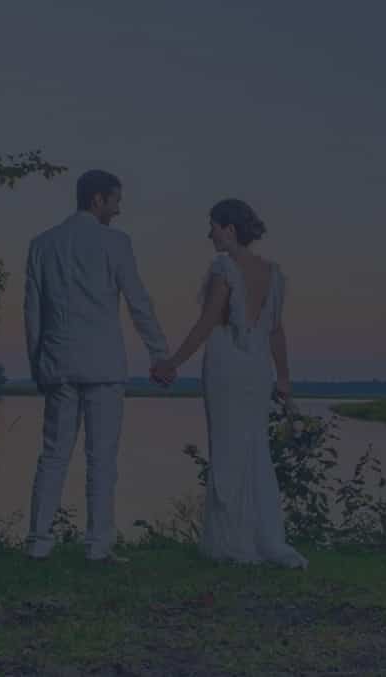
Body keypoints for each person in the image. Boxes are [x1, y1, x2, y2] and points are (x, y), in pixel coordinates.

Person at [24, 169, 173, 563]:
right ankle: (98, 545)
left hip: (57, 362)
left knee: (53, 454)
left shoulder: (42, 244)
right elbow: (138, 302)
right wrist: (159, 353)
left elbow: (32, 313)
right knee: (101, 458)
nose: (119, 209)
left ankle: (39, 542)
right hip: (103, 364)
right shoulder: (115, 243)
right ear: (98, 200)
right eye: (116, 200)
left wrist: (36, 363)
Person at [151, 198, 308, 569]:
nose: (210, 234)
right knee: (254, 448)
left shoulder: (224, 267)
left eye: (214, 226)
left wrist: (172, 362)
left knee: (226, 448)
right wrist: (283, 376)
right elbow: (275, 330)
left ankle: (231, 543)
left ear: (230, 229)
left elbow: (208, 323)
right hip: (257, 369)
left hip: (226, 365)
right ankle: (262, 537)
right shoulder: (272, 274)